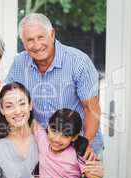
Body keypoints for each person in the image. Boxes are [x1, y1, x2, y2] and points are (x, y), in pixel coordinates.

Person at [0, 82, 104, 178]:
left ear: (31, 105)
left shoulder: (44, 139)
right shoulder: (42, 139)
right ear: (1, 110)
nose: (17, 110)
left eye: (22, 103)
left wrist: (86, 145)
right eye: (9, 106)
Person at [6, 13, 103, 159]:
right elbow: (8, 102)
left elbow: (91, 109)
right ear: (23, 43)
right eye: (30, 40)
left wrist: (85, 145)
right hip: (40, 150)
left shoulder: (78, 62)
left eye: (40, 37)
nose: (37, 45)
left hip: (79, 144)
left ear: (52, 34)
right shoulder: (19, 63)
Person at [35, 108, 104, 178]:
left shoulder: (80, 152)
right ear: (48, 127)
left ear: (74, 137)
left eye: (65, 135)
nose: (57, 139)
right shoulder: (42, 138)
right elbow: (28, 118)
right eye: (53, 131)